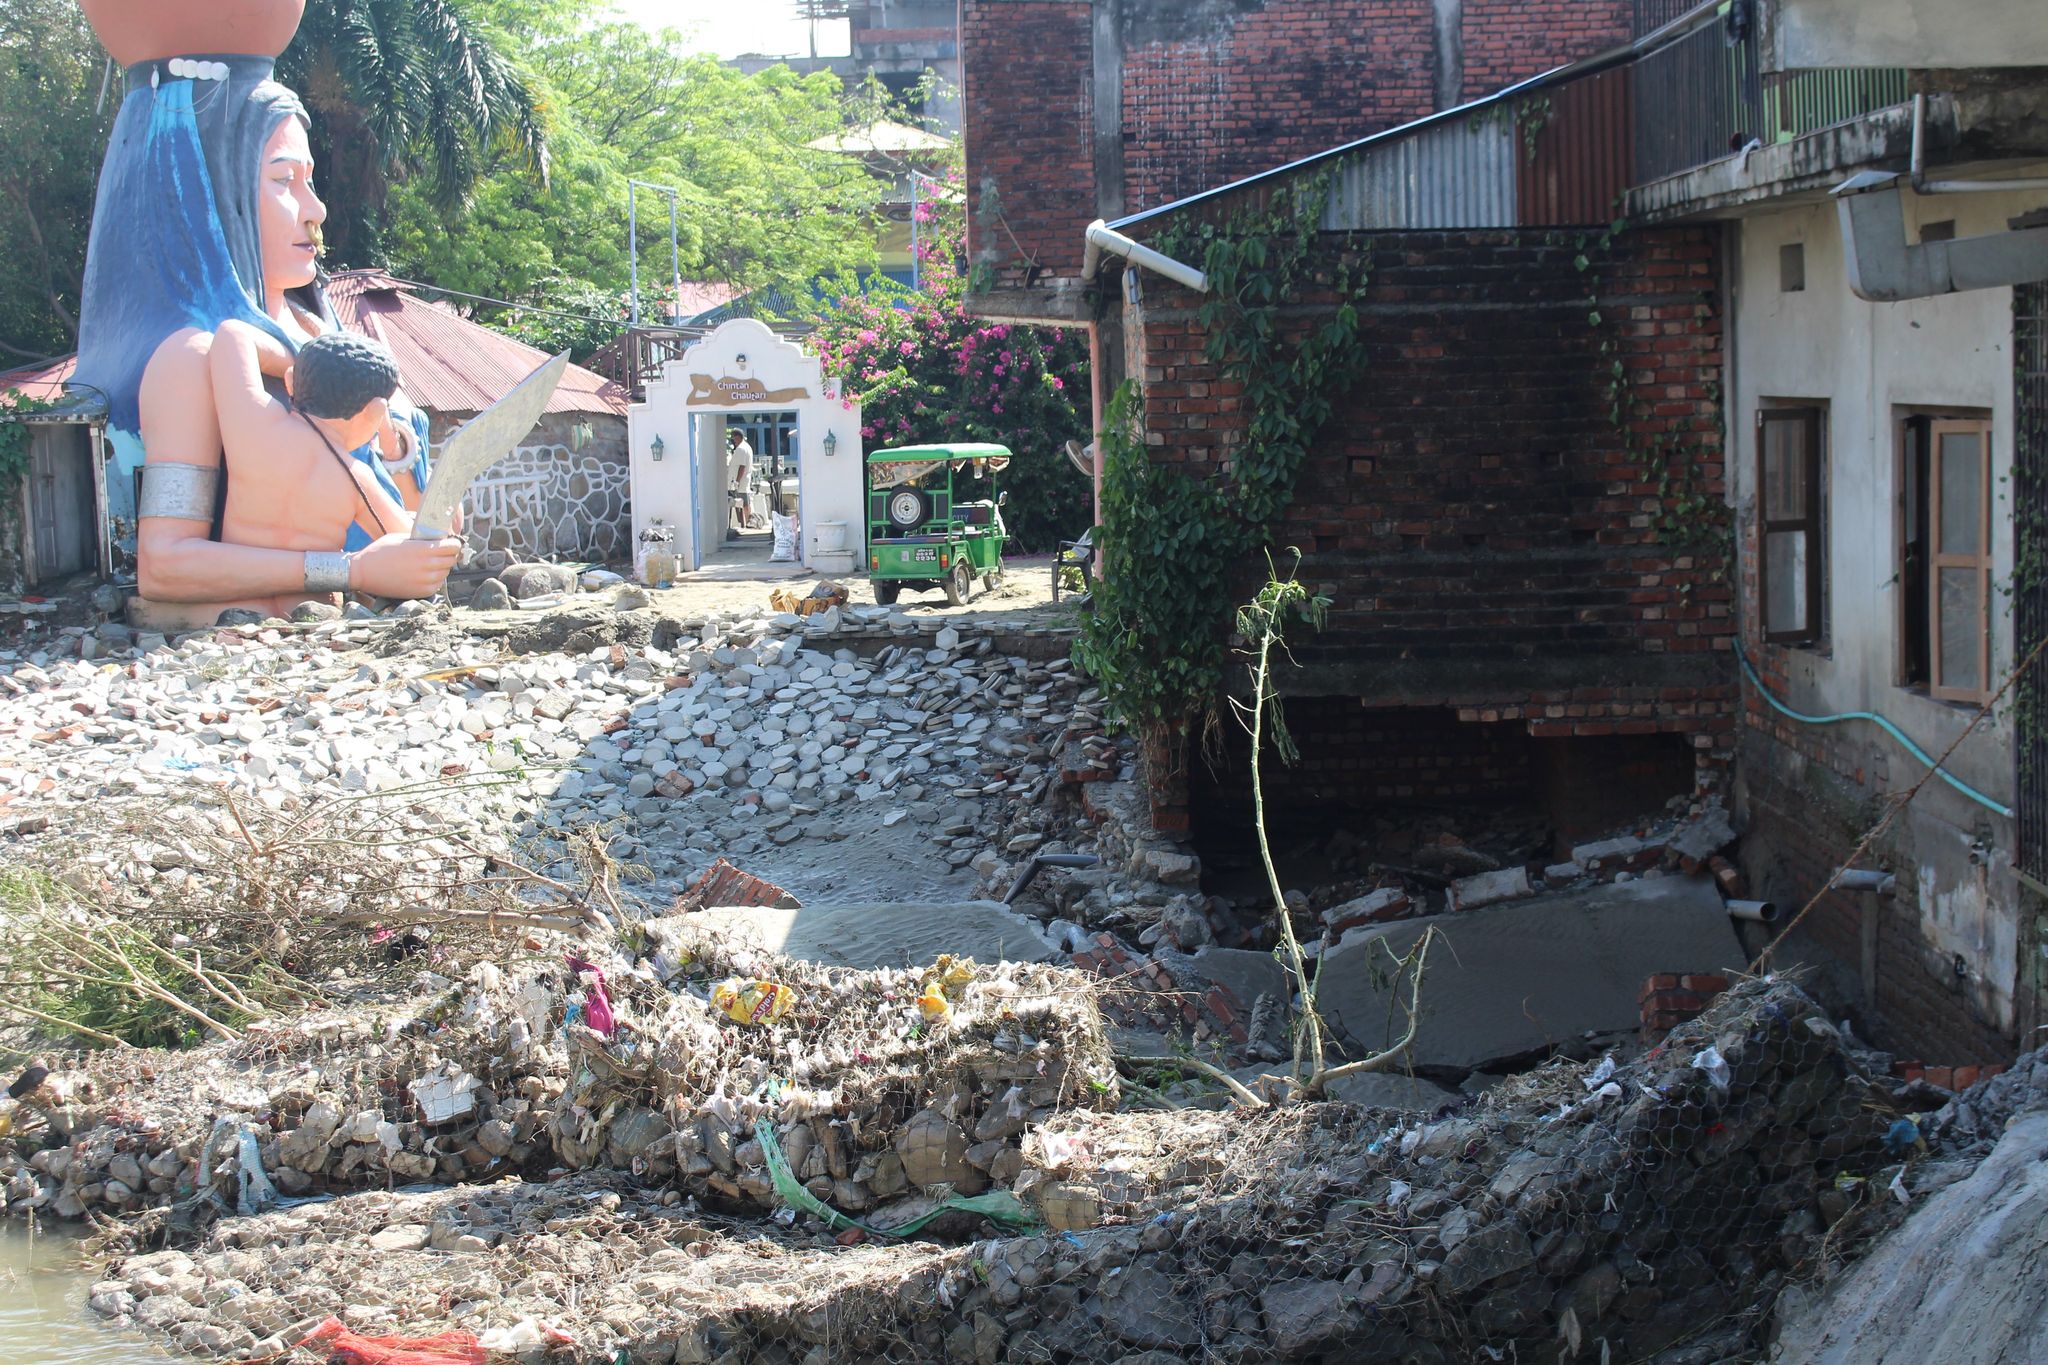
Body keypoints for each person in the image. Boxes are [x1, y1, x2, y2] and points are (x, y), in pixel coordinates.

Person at [71, 8, 461, 624]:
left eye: (311, 181)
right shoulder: (193, 360)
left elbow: (428, 529)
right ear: (208, 197)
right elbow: (165, 565)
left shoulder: (332, 339)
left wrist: (398, 456)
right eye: (285, 180)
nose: (317, 210)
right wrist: (349, 572)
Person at [208, 324, 413, 619]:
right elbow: (411, 544)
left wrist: (299, 362)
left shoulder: (256, 425)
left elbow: (232, 334)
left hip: (240, 601)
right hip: (311, 612)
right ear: (376, 411)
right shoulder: (356, 477)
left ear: (290, 382)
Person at [727, 427, 756, 538]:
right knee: (743, 502)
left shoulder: (741, 449)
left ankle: (748, 523)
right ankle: (746, 523)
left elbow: (742, 467)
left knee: (743, 503)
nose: (733, 441)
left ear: (738, 437)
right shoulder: (746, 447)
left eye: (734, 438)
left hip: (740, 481)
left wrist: (737, 481)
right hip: (742, 480)